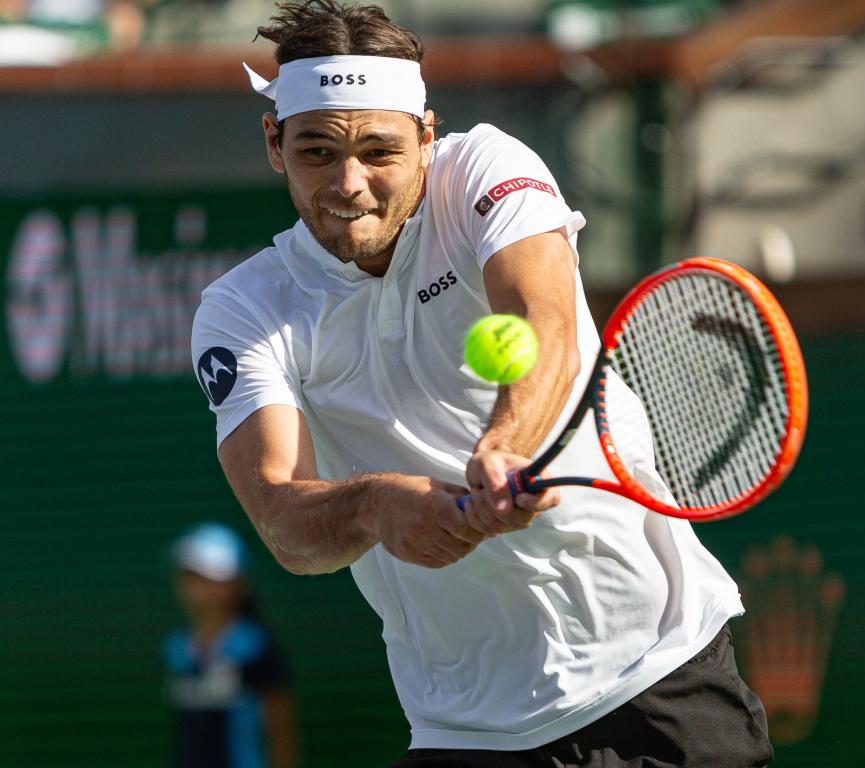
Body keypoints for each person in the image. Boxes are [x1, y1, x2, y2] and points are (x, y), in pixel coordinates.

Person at [191, 2, 772, 765]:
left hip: (658, 672)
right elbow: (282, 519)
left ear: (428, 139)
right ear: (275, 143)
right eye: (318, 151)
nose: (350, 183)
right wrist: (374, 504)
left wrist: (504, 447)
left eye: (379, 151)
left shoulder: (486, 170)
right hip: (463, 729)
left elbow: (547, 324)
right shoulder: (242, 310)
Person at [163, 522, 299, 768]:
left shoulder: (255, 646)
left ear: (236, 582)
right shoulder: (176, 648)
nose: (196, 588)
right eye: (189, 577)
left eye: (207, 578)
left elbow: (279, 724)